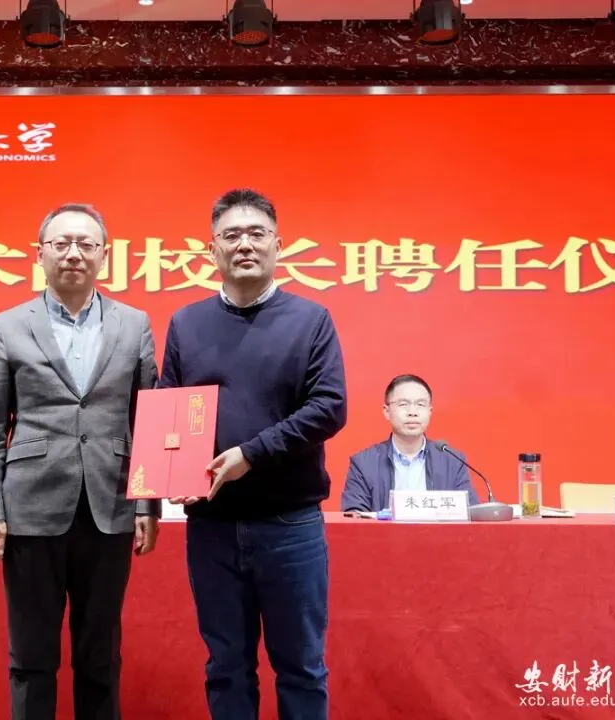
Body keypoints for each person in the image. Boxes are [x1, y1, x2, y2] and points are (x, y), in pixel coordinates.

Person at [160, 189, 347, 720]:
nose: (244, 244)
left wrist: (251, 454)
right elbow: (169, 407)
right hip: (212, 526)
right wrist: (168, 474)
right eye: (231, 235)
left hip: (290, 526)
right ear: (212, 250)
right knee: (226, 667)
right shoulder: (186, 323)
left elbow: (329, 408)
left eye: (257, 233)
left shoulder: (311, 319)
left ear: (278, 245)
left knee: (302, 668)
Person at [0, 203, 160, 720]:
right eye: (61, 244)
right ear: (39, 254)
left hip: (111, 506)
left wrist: (148, 504)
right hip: (30, 511)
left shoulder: (134, 324)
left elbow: (148, 421)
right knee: (32, 657)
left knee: (100, 656)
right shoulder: (8, 325)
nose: (74, 253)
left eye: (85, 244)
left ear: (104, 254)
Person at [340, 374, 478, 512]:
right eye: (403, 404)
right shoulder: (364, 463)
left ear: (429, 411)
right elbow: (354, 515)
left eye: (420, 404)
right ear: (387, 411)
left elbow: (470, 513)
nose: (412, 412)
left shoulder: (453, 462)